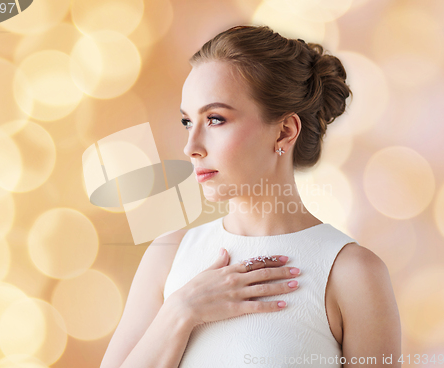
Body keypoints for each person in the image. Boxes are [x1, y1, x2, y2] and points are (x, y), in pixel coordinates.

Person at [100, 25, 401, 368]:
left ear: (285, 131)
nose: (191, 147)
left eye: (215, 119)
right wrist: (181, 311)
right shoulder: (169, 258)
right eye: (187, 121)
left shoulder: (352, 274)